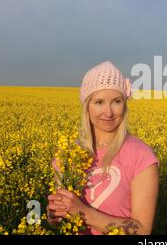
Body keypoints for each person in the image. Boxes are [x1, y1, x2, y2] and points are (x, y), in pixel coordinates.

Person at [47, 61, 159, 235]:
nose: (108, 112)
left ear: (125, 104)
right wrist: (54, 214)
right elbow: (60, 213)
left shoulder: (141, 156)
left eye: (116, 101)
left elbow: (142, 231)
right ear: (87, 106)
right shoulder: (67, 155)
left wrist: (83, 213)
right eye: (99, 102)